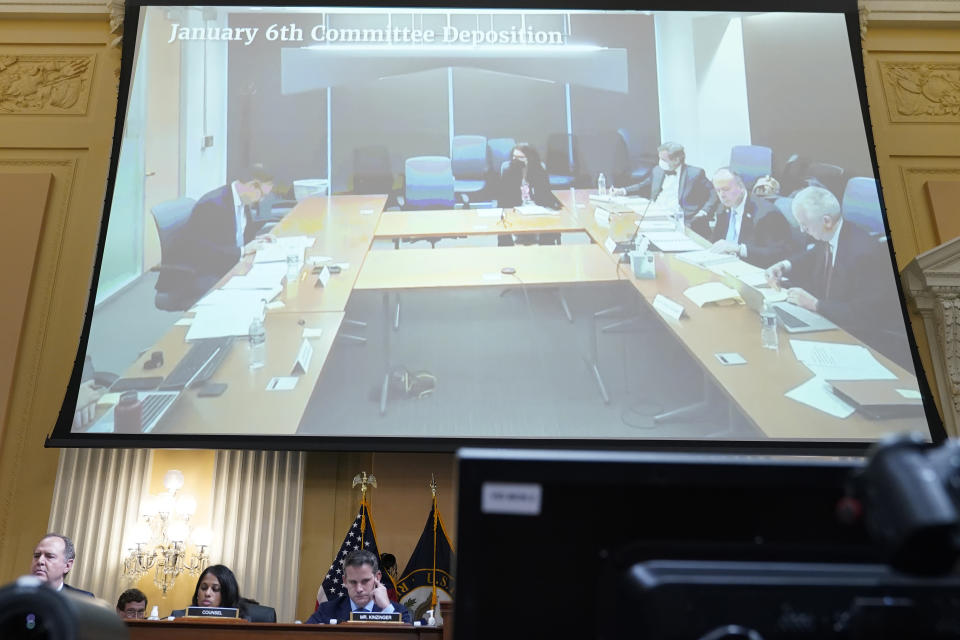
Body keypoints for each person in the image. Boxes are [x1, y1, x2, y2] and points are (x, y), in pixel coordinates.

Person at [765, 186, 907, 360]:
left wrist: (815, 304)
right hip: (829, 323)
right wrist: (785, 265)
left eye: (804, 224)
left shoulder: (864, 254)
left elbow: (864, 315)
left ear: (826, 221)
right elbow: (813, 254)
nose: (802, 230)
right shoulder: (830, 235)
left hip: (859, 340)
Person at [179, 163, 276, 294]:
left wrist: (257, 239)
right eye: (262, 195)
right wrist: (243, 250)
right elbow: (204, 252)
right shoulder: (213, 205)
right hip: (209, 271)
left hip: (232, 263)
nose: (262, 200)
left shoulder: (243, 199)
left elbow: (237, 234)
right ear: (252, 186)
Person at [611, 141, 717, 235]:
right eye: (659, 158)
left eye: (663, 159)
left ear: (676, 160)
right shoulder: (657, 170)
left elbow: (714, 193)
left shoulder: (695, 173)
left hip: (683, 220)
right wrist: (623, 190)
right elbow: (643, 186)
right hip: (657, 214)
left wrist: (704, 211)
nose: (660, 162)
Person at [708, 167, 793, 268]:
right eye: (718, 191)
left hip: (752, 268)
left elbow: (777, 254)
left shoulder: (766, 214)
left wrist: (739, 249)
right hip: (725, 265)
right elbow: (717, 242)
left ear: (740, 187)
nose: (722, 195)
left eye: (726, 189)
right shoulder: (723, 209)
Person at [306, 550, 412, 624]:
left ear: (377, 577)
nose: (359, 589)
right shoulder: (327, 611)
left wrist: (387, 609)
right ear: (344, 581)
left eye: (365, 581)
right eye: (353, 582)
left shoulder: (399, 612)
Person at [497, 143, 562, 246]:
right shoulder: (508, 172)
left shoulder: (539, 172)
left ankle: (547, 251)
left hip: (537, 209)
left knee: (549, 224)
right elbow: (503, 200)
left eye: (520, 157)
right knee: (504, 225)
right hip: (516, 209)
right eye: (514, 157)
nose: (516, 160)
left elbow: (546, 196)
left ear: (530, 159)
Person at [171, 564, 247, 619]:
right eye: (203, 588)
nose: (207, 593)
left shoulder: (242, 621)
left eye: (215, 589)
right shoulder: (178, 617)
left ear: (227, 594)